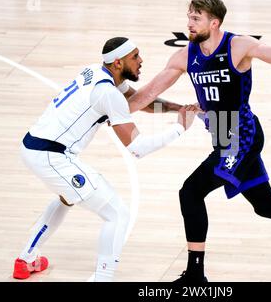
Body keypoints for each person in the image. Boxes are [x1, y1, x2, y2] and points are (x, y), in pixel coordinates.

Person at [128, 0, 271, 283]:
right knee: (266, 204)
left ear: (214, 22)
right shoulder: (185, 56)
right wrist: (110, 108)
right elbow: (146, 94)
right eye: (189, 17)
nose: (189, 23)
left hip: (242, 136)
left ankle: (195, 275)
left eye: (196, 18)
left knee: (191, 192)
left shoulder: (239, 46)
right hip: (221, 135)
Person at [13, 37, 198, 281]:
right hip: (51, 156)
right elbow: (138, 148)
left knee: (67, 198)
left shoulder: (97, 71)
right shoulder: (107, 93)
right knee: (117, 214)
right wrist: (180, 128)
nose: (141, 60)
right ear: (119, 63)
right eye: (135, 57)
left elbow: (141, 102)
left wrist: (179, 108)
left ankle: (25, 260)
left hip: (35, 146)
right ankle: (103, 278)